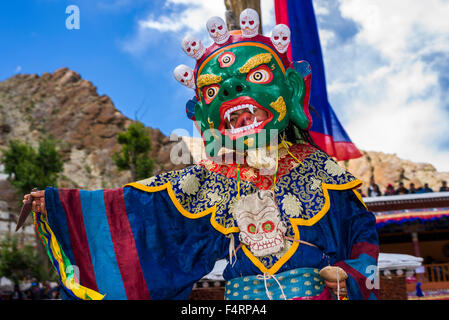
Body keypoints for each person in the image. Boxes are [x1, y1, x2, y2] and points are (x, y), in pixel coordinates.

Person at [22, 10, 378, 301]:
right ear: (204, 119)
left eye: (255, 74)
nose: (232, 89)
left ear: (291, 87)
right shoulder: (210, 177)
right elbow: (142, 213)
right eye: (213, 89)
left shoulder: (319, 168)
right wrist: (60, 205)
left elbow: (362, 233)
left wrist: (349, 275)